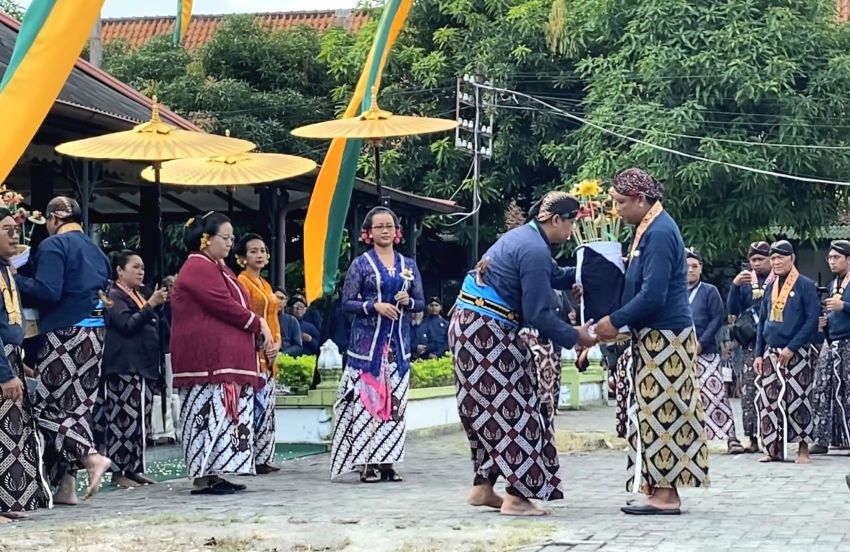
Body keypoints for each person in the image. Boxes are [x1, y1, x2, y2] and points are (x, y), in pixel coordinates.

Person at [450, 191, 594, 517]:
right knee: (520, 410)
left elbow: (555, 277)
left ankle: (483, 487)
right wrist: (576, 335)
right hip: (485, 330)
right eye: (571, 223)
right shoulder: (533, 250)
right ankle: (516, 497)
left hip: (476, 326)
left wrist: (593, 270)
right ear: (556, 220)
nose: (572, 232)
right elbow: (538, 313)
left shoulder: (527, 239)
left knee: (496, 408)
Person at [596, 168, 709, 516]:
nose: (615, 210)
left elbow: (654, 295)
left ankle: (666, 495)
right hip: (655, 334)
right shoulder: (647, 228)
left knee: (664, 412)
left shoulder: (659, 232)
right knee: (651, 411)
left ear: (640, 200)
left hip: (667, 337)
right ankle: (655, 487)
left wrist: (613, 321)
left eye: (619, 203)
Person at [16, 196, 112, 504]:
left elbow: (48, 291)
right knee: (76, 408)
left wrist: (13, 278)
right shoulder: (96, 250)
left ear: (53, 219)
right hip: (96, 331)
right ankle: (66, 487)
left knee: (43, 405)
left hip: (66, 331)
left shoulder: (53, 246)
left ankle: (90, 457)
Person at [171, 212, 273, 495]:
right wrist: (257, 323)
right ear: (206, 239)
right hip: (206, 362)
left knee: (223, 418)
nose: (230, 243)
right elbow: (222, 304)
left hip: (223, 359)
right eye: (225, 238)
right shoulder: (197, 267)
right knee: (206, 417)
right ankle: (203, 476)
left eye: (231, 238)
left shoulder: (219, 268)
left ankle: (214, 472)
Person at [330, 207, 424, 483]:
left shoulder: (408, 265)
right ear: (368, 233)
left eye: (389, 226)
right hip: (367, 347)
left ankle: (388, 462)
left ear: (397, 232)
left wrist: (409, 303)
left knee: (395, 405)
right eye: (379, 226)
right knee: (367, 404)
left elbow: (420, 300)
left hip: (398, 345)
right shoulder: (361, 264)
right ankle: (366, 461)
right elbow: (346, 303)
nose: (385, 230)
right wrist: (374, 306)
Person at [97, 250, 167, 488]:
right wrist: (150, 306)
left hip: (143, 367)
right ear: (119, 270)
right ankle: (119, 471)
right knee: (122, 421)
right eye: (135, 267)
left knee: (140, 421)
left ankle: (135, 468)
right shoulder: (114, 295)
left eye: (143, 268)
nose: (141, 272)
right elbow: (126, 325)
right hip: (123, 367)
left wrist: (154, 306)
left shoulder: (138, 295)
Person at [0, 208, 50, 520]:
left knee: (10, 438)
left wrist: (20, 365)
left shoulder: (7, 269)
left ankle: (7, 504)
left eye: (16, 229)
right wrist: (5, 374)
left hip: (10, 359)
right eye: (6, 229)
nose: (14, 234)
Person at [753, 240, 818, 464]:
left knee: (799, 399)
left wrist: (792, 347)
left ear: (792, 258)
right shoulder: (770, 286)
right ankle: (772, 449)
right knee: (768, 400)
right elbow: (762, 321)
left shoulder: (805, 285)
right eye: (773, 258)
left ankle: (802, 449)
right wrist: (758, 354)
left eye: (781, 257)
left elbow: (811, 321)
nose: (776, 262)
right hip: (771, 351)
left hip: (797, 352)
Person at [686, 248, 744, 454]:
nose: (690, 270)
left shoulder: (709, 291)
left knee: (715, 394)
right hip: (680, 354)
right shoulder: (673, 291)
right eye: (686, 267)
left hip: (706, 351)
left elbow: (716, 320)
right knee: (683, 397)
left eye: (694, 266)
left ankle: (731, 438)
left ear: (701, 268)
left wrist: (700, 344)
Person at [236, 234, 282, 474]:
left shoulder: (265, 285)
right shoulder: (241, 283)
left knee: (268, 407)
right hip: (253, 353)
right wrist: (262, 343)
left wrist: (276, 343)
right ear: (242, 258)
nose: (259, 255)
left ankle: (264, 456)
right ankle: (249, 457)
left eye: (262, 250)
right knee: (254, 406)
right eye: (253, 251)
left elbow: (273, 318)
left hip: (270, 352)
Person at [727, 241, 774, 452]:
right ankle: (753, 439)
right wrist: (735, 286)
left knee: (772, 390)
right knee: (749, 392)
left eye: (759, 259)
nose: (755, 264)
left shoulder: (780, 279)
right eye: (752, 260)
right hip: (750, 343)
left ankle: (773, 437)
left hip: (773, 341)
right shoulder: (745, 282)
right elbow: (733, 310)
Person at [812, 240, 850, 454]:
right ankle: (822, 438)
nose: (832, 262)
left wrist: (843, 305)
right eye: (830, 258)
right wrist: (824, 323)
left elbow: (841, 307)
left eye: (837, 257)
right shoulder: (832, 285)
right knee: (822, 388)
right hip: (832, 341)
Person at [274, 288, 303, 357]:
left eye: (281, 298)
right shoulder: (263, 318)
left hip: (284, 358)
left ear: (285, 302)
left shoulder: (292, 321)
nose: (278, 301)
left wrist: (283, 353)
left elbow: (298, 347)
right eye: (275, 297)